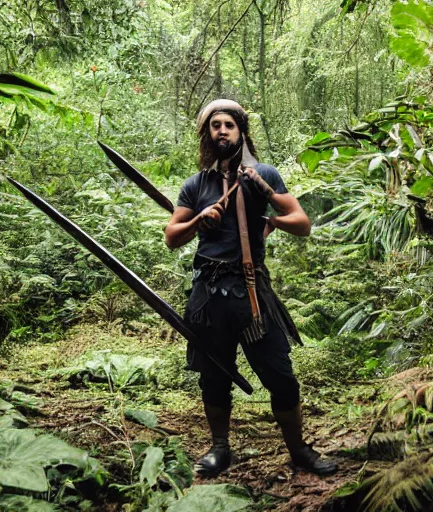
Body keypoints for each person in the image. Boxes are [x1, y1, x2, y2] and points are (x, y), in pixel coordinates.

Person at [165, 99, 337, 478]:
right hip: (208, 294)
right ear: (207, 134)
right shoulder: (196, 185)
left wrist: (267, 196)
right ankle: (220, 448)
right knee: (214, 376)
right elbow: (172, 237)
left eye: (229, 124)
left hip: (252, 292)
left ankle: (299, 450)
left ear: (241, 131)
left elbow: (301, 223)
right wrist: (198, 220)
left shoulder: (265, 174)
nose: (222, 130)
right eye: (215, 126)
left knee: (280, 375)